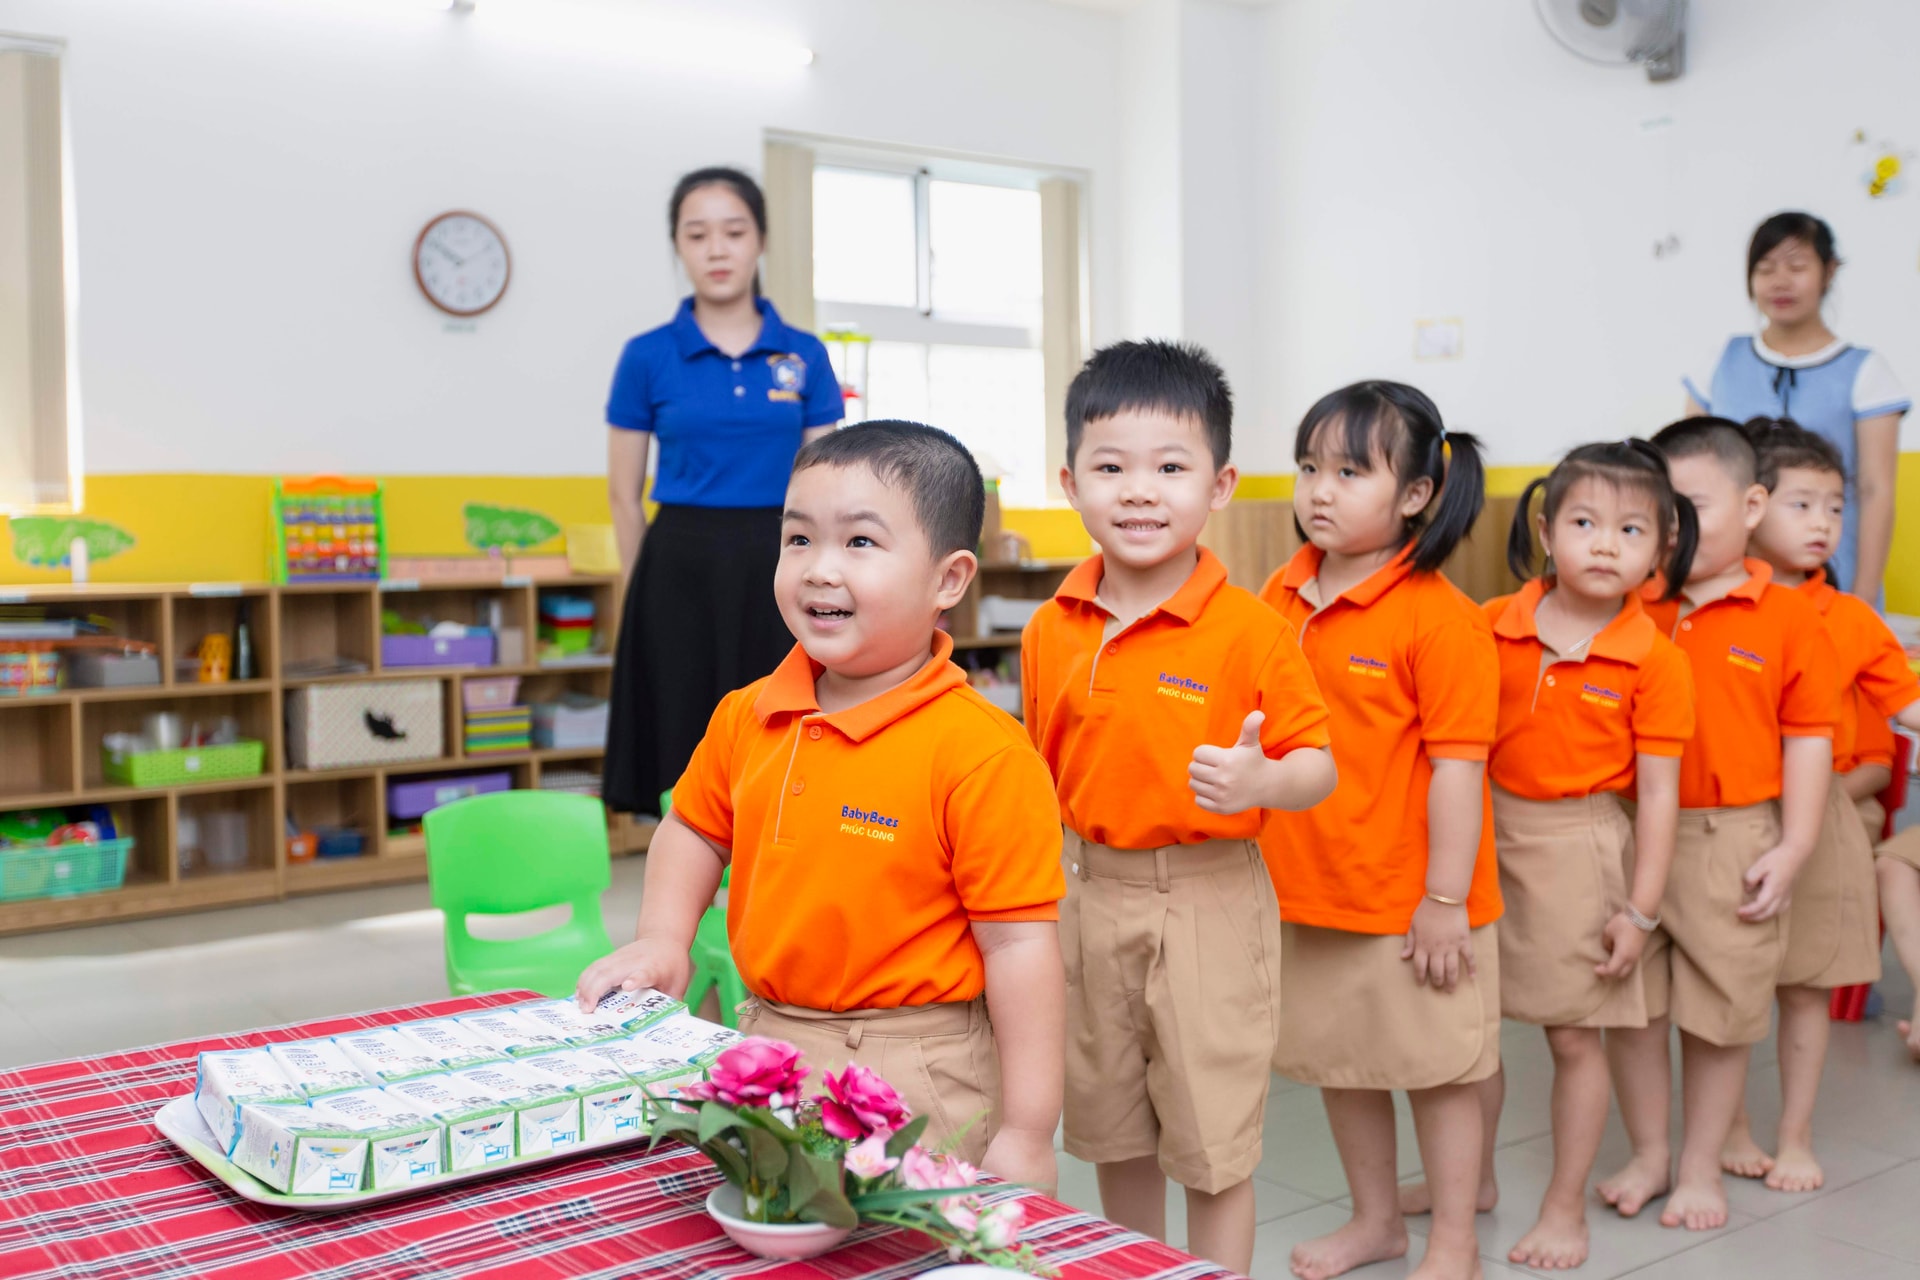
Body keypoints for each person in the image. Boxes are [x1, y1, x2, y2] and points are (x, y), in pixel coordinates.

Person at [577, 421, 1066, 1191]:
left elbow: (1019, 951)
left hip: (920, 1065)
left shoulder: (983, 753)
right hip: (771, 1037)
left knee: (912, 1252)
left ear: (949, 579)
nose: (818, 571)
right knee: (779, 1234)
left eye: (860, 543)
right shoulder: (749, 713)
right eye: (798, 539)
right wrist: (664, 939)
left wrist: (1029, 1130)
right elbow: (694, 828)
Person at [1021, 341, 1338, 1275]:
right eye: (1111, 468)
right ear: (1071, 482)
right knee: (1115, 1125)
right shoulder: (1050, 627)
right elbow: (1039, 774)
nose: (1139, 491)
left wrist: (1264, 784)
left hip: (1208, 898)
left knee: (1212, 1135)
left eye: (1171, 467)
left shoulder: (1255, 630)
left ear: (1221, 483)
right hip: (1085, 895)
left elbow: (1316, 764)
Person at [1257, 382, 1497, 1280]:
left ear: (1415, 496)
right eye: (1310, 467)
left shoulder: (1441, 621)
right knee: (1341, 1064)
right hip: (1312, 885)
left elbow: (1461, 773)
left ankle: (1454, 1242)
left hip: (1413, 898)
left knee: (1437, 1071)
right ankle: (1376, 1223)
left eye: (1351, 471)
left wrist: (1443, 901)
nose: (1320, 489)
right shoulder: (1278, 597)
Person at [1596, 418, 1839, 1233]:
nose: (1674, 528)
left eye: (1692, 507)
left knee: (1721, 1013)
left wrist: (1796, 844)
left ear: (1753, 503)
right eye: (1661, 509)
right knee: (1629, 1006)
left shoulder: (1789, 614)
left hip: (1732, 834)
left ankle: (1701, 1166)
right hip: (1630, 829)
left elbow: (1810, 739)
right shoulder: (1633, 602)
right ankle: (1651, 1151)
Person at [1459, 442, 1697, 1270]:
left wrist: (1640, 909)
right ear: (1545, 528)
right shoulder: (1487, 625)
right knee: (1467, 1033)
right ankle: (1472, 1182)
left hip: (1582, 846)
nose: (1604, 544)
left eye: (1630, 530)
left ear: (1661, 548)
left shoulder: (1657, 661)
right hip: (1484, 836)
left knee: (1572, 1039)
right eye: (1586, 523)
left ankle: (1566, 1210)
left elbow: (1659, 796)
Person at [602, 166, 845, 816]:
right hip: (677, 562)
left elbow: (829, 483)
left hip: (779, 558)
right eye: (697, 233)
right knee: (684, 739)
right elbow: (624, 496)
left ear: (760, 240)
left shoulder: (803, 355)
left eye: (733, 231)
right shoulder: (646, 356)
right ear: (678, 247)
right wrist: (638, 591)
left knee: (781, 721)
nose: (716, 249)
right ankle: (690, 897)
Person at [1719, 418, 1920, 1190]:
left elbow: (1905, 705)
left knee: (1806, 985)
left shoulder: (1853, 619)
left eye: (1836, 508)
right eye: (1802, 505)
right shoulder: (1706, 605)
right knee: (1729, 984)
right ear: (1750, 505)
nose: (1825, 525)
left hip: (1824, 821)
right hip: (1733, 813)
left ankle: (1795, 1135)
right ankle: (1728, 1124)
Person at [1683, 211, 1910, 604]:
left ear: (1829, 271)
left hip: (1831, 577)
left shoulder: (1866, 371)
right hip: (1728, 576)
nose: (1780, 281)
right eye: (1765, 268)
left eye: (1797, 266)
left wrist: (1864, 594)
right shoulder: (1721, 361)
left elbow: (1875, 491)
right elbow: (1691, 479)